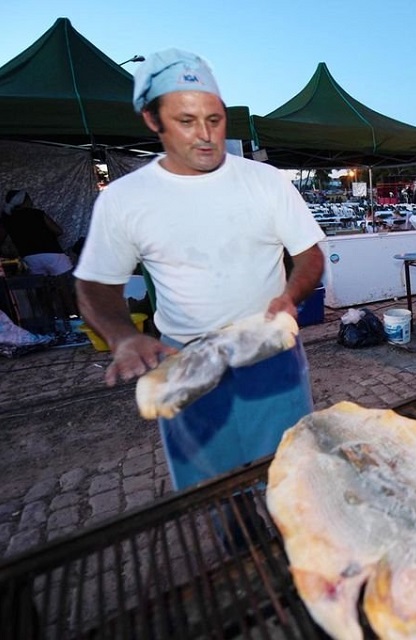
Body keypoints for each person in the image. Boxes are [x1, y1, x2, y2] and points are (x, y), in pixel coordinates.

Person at [73, 49, 325, 492]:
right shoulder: (125, 199)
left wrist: (292, 293)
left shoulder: (265, 182)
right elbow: (95, 284)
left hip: (269, 353)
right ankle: (231, 544)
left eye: (215, 118)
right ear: (153, 120)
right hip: (184, 360)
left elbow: (309, 255)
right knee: (212, 487)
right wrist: (123, 336)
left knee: (292, 474)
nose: (206, 135)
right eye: (186, 121)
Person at [0, 190, 73, 276]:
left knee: (40, 285)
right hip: (52, 254)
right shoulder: (37, 213)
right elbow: (58, 231)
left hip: (30, 258)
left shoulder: (7, 219)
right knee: (67, 281)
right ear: (24, 201)